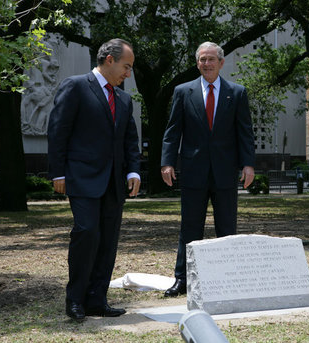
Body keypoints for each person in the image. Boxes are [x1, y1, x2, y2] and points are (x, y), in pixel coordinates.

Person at [48, 38, 141, 321]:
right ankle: (75, 300)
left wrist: (134, 171)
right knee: (87, 233)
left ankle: (97, 300)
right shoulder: (75, 86)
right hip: (82, 178)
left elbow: (130, 140)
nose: (129, 73)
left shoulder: (124, 99)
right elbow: (58, 130)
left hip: (114, 183)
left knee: (107, 241)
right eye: (126, 66)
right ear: (109, 60)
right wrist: (58, 172)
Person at [161, 42, 255, 297]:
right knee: (189, 229)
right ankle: (182, 279)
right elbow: (173, 131)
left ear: (221, 63)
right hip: (193, 171)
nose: (207, 64)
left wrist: (248, 164)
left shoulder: (236, 93)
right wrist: (167, 162)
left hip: (225, 172)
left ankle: (228, 279)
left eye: (211, 59)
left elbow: (244, 132)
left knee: (227, 229)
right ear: (197, 63)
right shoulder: (183, 91)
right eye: (202, 59)